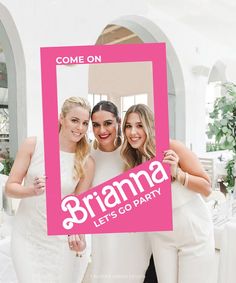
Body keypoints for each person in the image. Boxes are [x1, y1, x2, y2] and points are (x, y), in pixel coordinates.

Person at [121, 104, 215, 283]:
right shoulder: (132, 161)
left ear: (150, 126)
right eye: (128, 126)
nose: (133, 132)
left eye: (140, 125)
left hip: (192, 233)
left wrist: (177, 173)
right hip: (161, 237)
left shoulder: (170, 147)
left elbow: (206, 187)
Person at [5, 97, 95, 283]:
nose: (80, 128)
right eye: (74, 120)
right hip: (27, 237)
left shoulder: (86, 162)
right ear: (61, 118)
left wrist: (81, 239)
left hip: (60, 243)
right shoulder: (33, 145)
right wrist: (31, 190)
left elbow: (78, 210)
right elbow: (10, 188)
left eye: (85, 123)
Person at [89, 100, 151, 283]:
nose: (102, 130)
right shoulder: (88, 159)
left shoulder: (133, 152)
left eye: (108, 123)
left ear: (118, 121)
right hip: (104, 241)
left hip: (135, 239)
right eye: (96, 125)